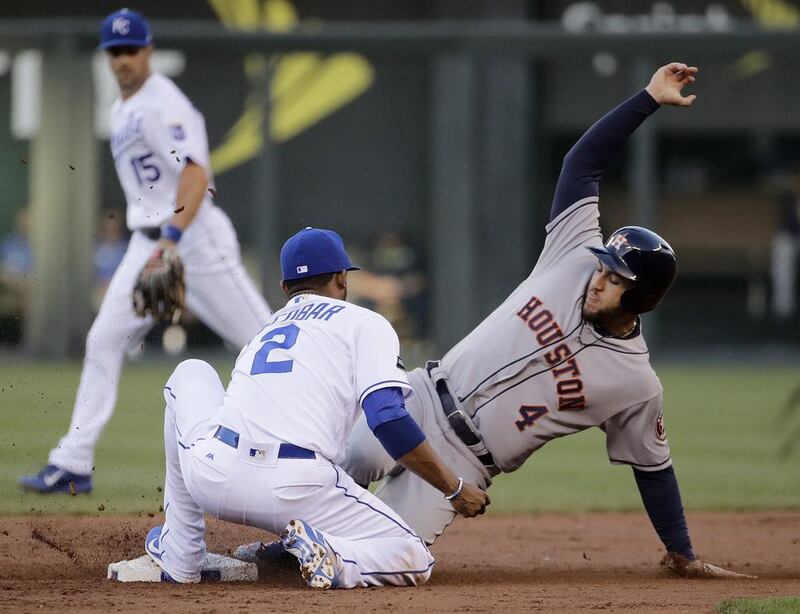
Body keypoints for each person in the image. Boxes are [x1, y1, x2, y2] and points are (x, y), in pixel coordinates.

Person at [238, 63, 751, 579]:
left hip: (467, 461)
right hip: (417, 397)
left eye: (616, 278)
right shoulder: (572, 254)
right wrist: (647, 99)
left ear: (642, 297)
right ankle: (282, 549)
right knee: (346, 456)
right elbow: (581, 164)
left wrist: (681, 551)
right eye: (604, 267)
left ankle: (312, 552)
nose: (600, 278)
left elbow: (654, 471)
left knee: (401, 561)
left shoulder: (636, 385)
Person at [141, 227, 489, 588]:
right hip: (294, 490)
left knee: (190, 372)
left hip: (215, 477)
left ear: (284, 288)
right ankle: (333, 556)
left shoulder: (265, 329)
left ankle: (181, 554)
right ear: (342, 279)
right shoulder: (365, 323)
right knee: (412, 555)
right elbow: (387, 418)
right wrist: (453, 487)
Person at [18, 9, 272, 494]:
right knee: (103, 340)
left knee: (265, 344)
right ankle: (72, 461)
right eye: (114, 51)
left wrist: (172, 242)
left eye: (131, 49)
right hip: (146, 243)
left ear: (148, 50)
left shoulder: (164, 104)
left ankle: (344, 436)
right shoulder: (121, 108)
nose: (123, 59)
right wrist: (157, 246)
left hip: (191, 237)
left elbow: (196, 176)